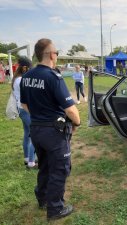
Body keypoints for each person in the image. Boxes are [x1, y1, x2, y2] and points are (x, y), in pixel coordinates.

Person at [20, 38, 80, 221]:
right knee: (59, 169)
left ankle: (43, 198)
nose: (57, 55)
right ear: (50, 55)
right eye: (56, 52)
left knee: (45, 166)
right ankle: (55, 209)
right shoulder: (53, 77)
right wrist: (77, 123)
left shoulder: (27, 76)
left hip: (36, 129)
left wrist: (40, 116)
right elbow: (70, 109)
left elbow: (24, 105)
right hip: (53, 133)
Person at [11, 57, 36, 168]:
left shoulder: (16, 79)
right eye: (29, 68)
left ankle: (27, 158)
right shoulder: (21, 80)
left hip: (21, 109)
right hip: (25, 110)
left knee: (27, 134)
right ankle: (31, 162)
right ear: (25, 68)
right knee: (35, 134)